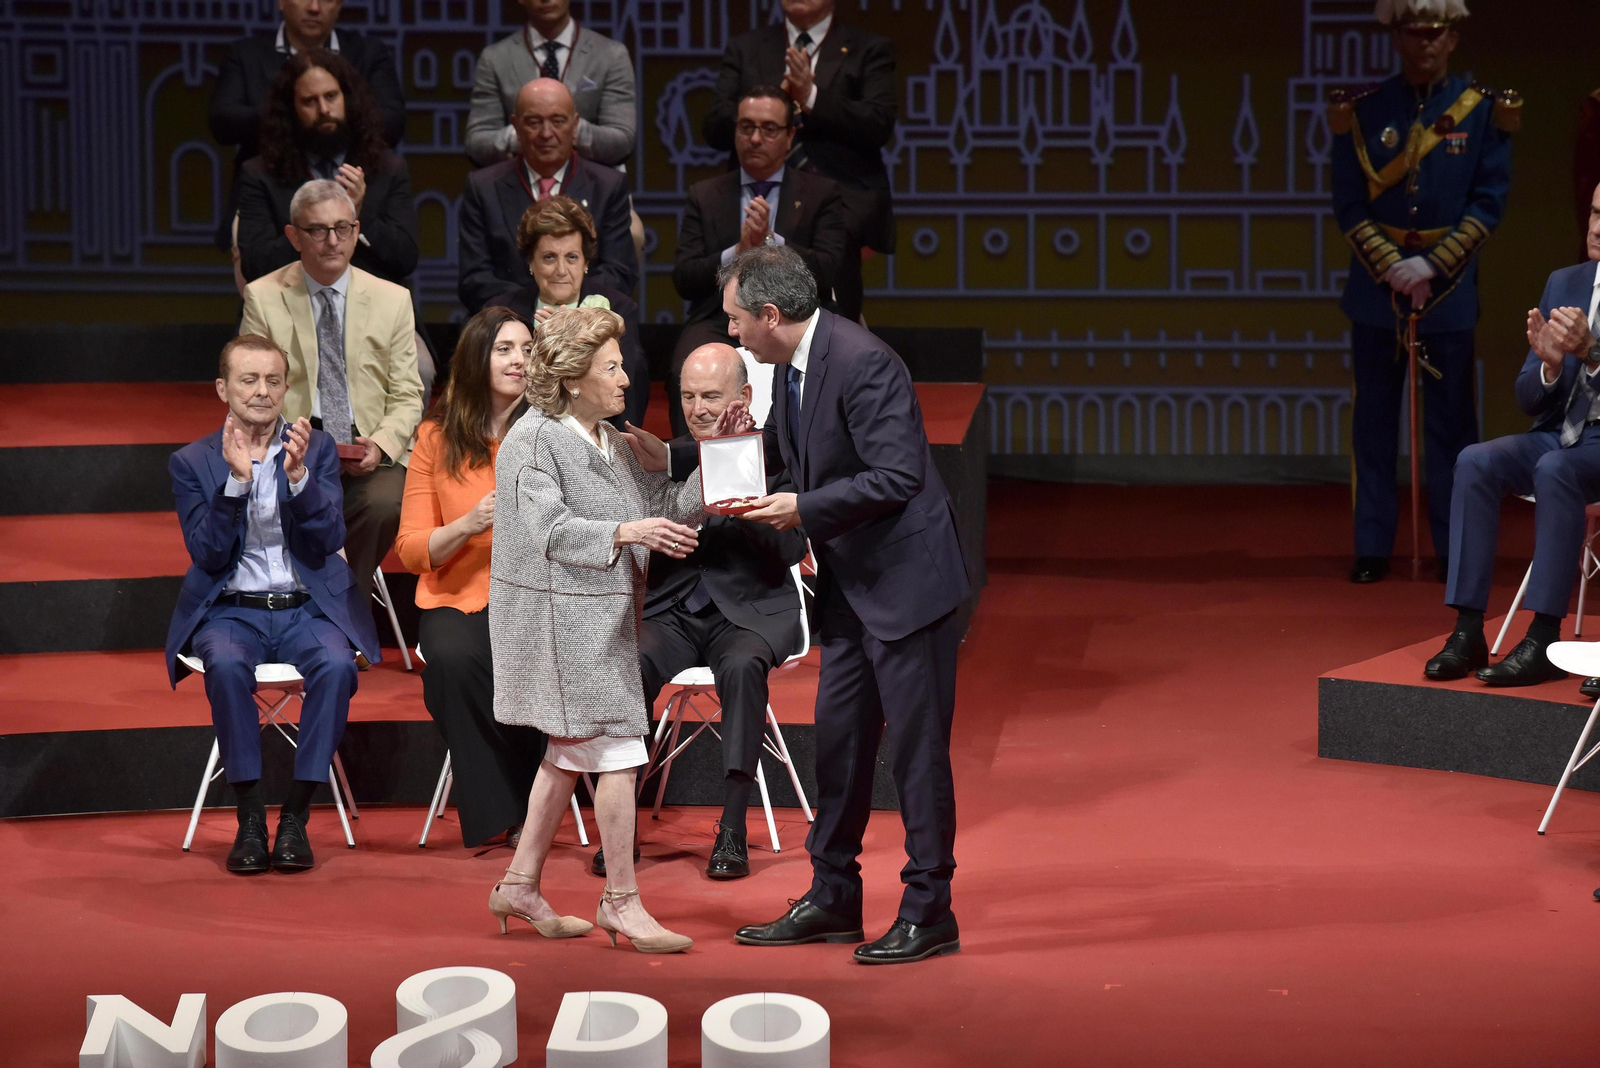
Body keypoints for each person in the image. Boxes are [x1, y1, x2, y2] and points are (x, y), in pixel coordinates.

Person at [626, 246, 970, 965]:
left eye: (735, 320)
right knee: (842, 745)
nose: (730, 332)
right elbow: (772, 451)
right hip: (852, 587)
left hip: (908, 586)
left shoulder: (864, 361)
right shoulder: (791, 365)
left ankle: (929, 908)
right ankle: (834, 895)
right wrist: (680, 456)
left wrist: (801, 508)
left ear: (771, 316)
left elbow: (900, 475)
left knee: (914, 755)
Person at [485, 306, 704, 953]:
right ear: (575, 377)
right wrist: (623, 531)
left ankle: (519, 885)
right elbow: (548, 532)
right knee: (616, 753)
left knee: (569, 755)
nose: (625, 379)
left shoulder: (612, 439)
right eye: (611, 368)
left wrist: (720, 463)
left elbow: (664, 513)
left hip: (604, 622)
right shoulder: (532, 440)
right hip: (558, 625)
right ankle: (622, 902)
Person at [165, 334, 381, 875]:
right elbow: (207, 552)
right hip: (233, 609)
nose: (262, 392)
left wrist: (300, 479)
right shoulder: (192, 462)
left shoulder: (318, 449)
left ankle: (297, 818)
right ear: (223, 388)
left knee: (335, 666)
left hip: (307, 608)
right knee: (228, 664)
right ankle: (250, 817)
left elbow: (329, 537)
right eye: (248, 379)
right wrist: (237, 483)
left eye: (273, 380)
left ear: (287, 388)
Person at [591, 342, 807, 881]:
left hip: (750, 611)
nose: (700, 408)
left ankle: (733, 828)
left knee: (741, 667)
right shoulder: (660, 457)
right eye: (688, 396)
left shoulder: (775, 458)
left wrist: (741, 483)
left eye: (712, 395)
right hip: (673, 612)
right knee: (629, 662)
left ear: (744, 396)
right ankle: (622, 828)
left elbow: (789, 551)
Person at [1328, 0, 1516, 584]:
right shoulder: (1365, 110)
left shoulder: (1483, 110)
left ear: (1454, 38)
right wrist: (1393, 266)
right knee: (1374, 423)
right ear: (1397, 36)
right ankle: (1372, 545)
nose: (1425, 45)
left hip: (1449, 288)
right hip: (1377, 289)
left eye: (1435, 34)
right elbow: (1349, 202)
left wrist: (1431, 265)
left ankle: (1452, 546)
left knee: (1452, 428)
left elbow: (1488, 202)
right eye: (1414, 33)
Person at [1425, 183, 1600, 694]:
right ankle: (1467, 630)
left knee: (1555, 470)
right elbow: (1528, 397)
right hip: (1559, 436)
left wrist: (1591, 352)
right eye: (1592, 212)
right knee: (1475, 461)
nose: (1594, 226)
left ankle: (1544, 637)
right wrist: (1548, 366)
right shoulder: (1564, 282)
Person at [394, 307, 547, 848]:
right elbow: (412, 548)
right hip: (456, 594)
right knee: (455, 662)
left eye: (528, 349)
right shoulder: (436, 438)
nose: (518, 360)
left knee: (526, 655)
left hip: (535, 597)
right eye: (505, 348)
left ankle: (524, 806)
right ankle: (516, 809)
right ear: (477, 357)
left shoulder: (550, 432)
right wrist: (470, 523)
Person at [240, 179, 424, 626]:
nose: (332, 241)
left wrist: (381, 444)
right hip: (294, 447)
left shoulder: (392, 299)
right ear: (293, 236)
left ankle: (331, 610)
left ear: (356, 229)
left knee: (385, 503)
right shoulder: (264, 297)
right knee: (289, 498)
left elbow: (408, 394)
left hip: (368, 449)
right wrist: (296, 448)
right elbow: (251, 390)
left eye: (343, 228)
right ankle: (338, 617)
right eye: (318, 230)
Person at [669, 85, 851, 437]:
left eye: (768, 129)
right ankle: (690, 471)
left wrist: (770, 242)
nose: (755, 138)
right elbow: (684, 277)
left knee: (828, 364)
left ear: (789, 136)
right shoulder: (705, 195)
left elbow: (829, 269)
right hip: (719, 316)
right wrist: (737, 251)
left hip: (794, 317)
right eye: (746, 127)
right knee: (686, 365)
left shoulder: (820, 194)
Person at [703, 0, 896, 323]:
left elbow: (878, 124)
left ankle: (839, 327)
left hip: (840, 190)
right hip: (757, 185)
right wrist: (770, 107)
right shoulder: (747, 48)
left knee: (836, 225)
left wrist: (811, 98)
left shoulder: (869, 48)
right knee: (727, 219)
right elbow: (714, 127)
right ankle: (731, 326)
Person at [209, 0, 405, 253]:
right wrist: (293, 115)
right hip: (273, 203)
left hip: (355, 204)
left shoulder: (368, 52)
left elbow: (392, 123)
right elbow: (223, 121)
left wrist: (326, 121)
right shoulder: (246, 54)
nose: (314, 7)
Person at [236, 49, 418, 288]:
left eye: (331, 96)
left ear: (347, 98)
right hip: (290, 308)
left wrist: (361, 216)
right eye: (310, 101)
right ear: (291, 111)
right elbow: (255, 265)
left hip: (372, 311)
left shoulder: (388, 168)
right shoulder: (260, 174)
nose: (323, 109)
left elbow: (405, 259)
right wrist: (309, 225)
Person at [458, 78, 638, 314]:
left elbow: (619, 272)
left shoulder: (608, 186)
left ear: (575, 126)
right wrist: (535, 306)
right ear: (516, 127)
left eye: (558, 121)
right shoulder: (483, 187)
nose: (546, 133)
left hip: (587, 322)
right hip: (508, 320)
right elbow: (474, 279)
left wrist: (570, 310)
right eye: (534, 122)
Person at [487, 195, 648, 428]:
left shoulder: (618, 308)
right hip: (515, 429)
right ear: (531, 263)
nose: (561, 270)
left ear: (585, 262)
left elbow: (623, 390)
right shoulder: (502, 311)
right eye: (549, 257)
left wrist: (565, 339)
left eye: (572, 257)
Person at [464, 0, 635, 170]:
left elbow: (622, 140)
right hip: (517, 186)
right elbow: (477, 143)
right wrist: (524, 134)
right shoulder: (495, 58)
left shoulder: (611, 55)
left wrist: (568, 130)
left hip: (594, 187)